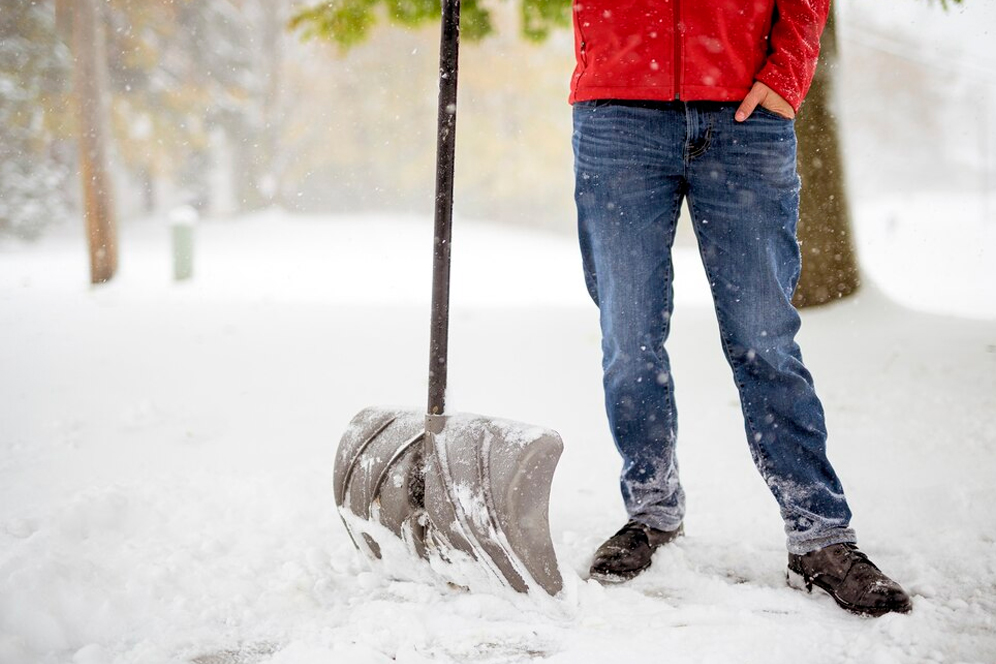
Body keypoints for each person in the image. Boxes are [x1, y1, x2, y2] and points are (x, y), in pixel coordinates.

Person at [570, 0, 912, 617]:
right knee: (629, 336)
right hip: (618, 116)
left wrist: (786, 75)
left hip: (744, 116)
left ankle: (819, 537)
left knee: (766, 340)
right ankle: (651, 514)